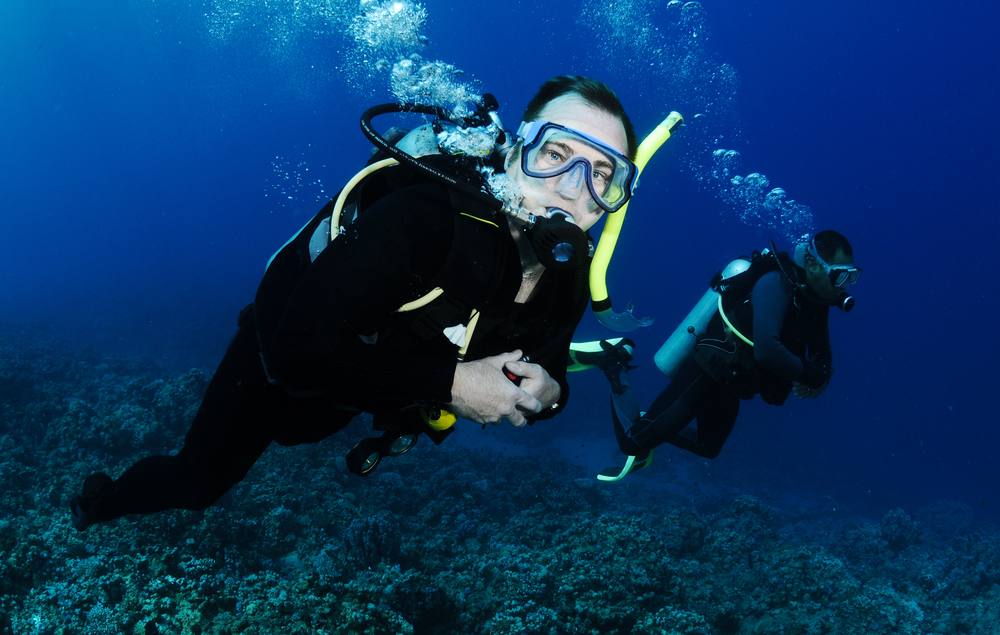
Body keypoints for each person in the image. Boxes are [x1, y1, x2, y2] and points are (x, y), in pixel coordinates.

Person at [70, 76, 641, 530]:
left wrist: (550, 394)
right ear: (518, 149)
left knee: (307, 428)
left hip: (361, 389)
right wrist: (451, 383)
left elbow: (550, 370)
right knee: (196, 485)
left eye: (603, 175)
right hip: (274, 365)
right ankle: (96, 504)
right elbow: (296, 351)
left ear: (614, 199)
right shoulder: (425, 218)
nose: (571, 187)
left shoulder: (570, 273)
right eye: (556, 153)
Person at [597, 231, 860, 479]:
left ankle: (652, 422)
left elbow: (822, 355)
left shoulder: (815, 299)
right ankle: (614, 361)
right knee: (632, 443)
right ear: (813, 265)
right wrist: (811, 376)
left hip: (733, 385)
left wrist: (819, 377)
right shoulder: (776, 284)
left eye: (851, 277)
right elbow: (767, 352)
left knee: (708, 447)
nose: (844, 285)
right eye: (839, 276)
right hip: (706, 375)